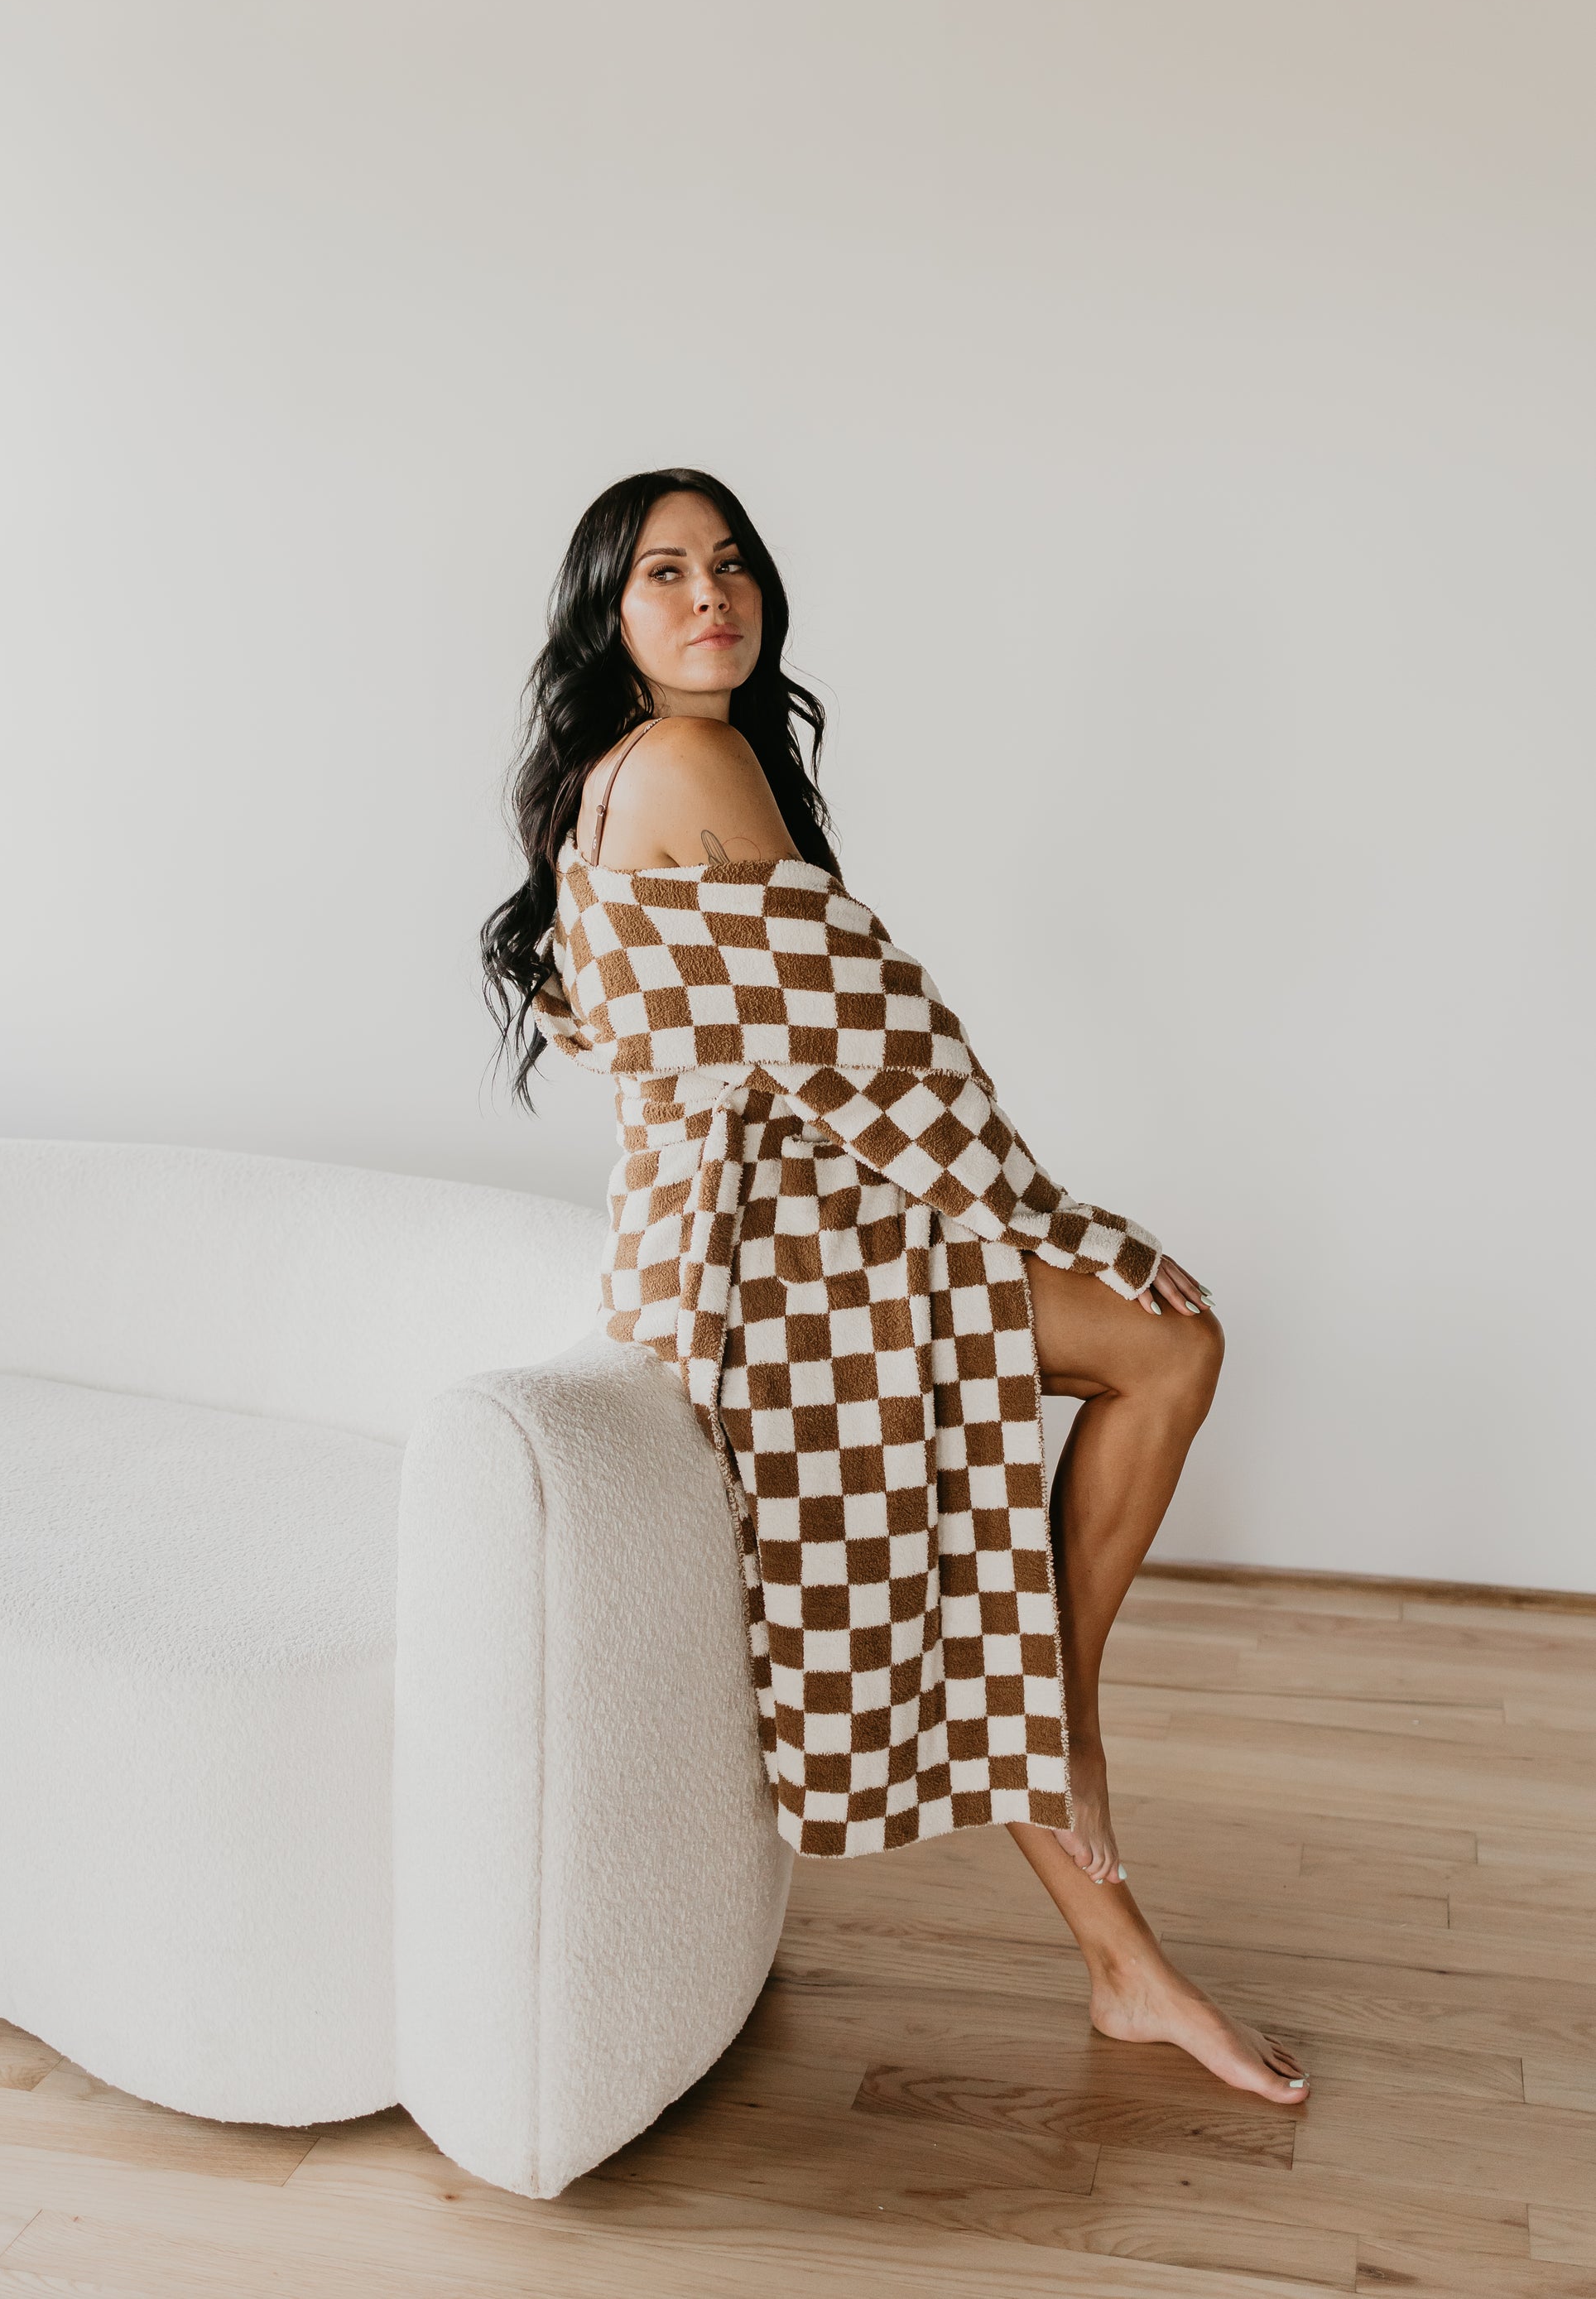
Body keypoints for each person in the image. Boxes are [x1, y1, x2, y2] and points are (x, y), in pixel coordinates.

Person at [481, 467, 1309, 2105]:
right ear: (608, 613)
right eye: (663, 573)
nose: (712, 593)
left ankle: (1111, 1919)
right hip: (768, 1266)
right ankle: (1076, 1757)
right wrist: (1070, 1225)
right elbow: (881, 1051)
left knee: (1141, 1374)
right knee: (1166, 1338)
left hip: (736, 1237)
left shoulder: (613, 773)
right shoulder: (691, 758)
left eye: (731, 563)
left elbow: (795, 1052)